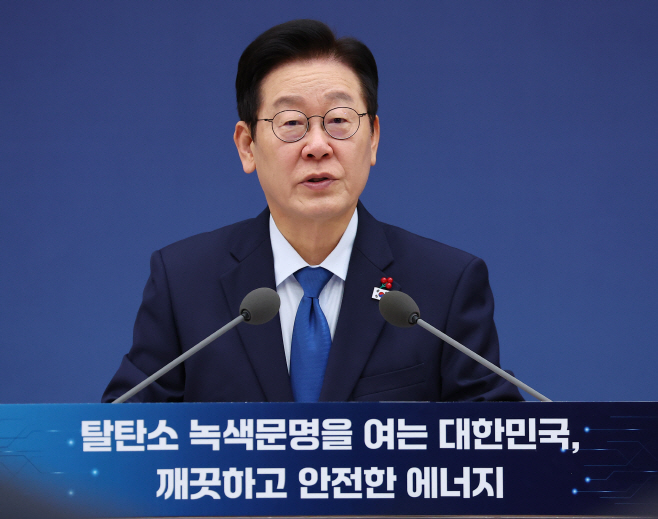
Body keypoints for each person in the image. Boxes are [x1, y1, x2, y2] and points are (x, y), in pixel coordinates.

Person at [102, 19, 523, 403]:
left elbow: (500, 443)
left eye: (339, 120)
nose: (318, 146)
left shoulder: (444, 286)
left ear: (373, 138)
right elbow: (119, 433)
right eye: (291, 123)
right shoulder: (183, 282)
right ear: (247, 146)